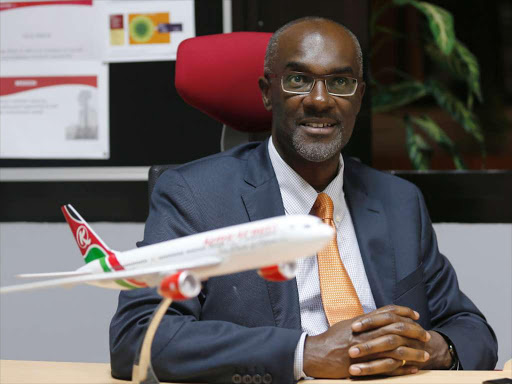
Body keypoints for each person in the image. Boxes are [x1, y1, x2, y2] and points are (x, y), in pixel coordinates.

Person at [110, 17, 497, 383]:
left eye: (340, 82)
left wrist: (432, 349)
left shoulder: (399, 201)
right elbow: (138, 336)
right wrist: (304, 353)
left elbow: (469, 328)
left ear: (359, 97)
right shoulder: (194, 195)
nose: (319, 100)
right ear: (267, 93)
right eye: (298, 80)